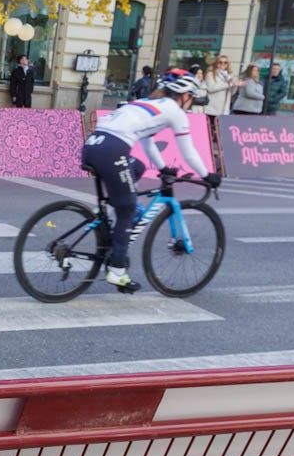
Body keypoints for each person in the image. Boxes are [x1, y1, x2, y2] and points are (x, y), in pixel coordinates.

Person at [81, 69, 220, 293]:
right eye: (191, 98)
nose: (191, 102)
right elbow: (189, 152)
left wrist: (164, 168)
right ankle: (117, 271)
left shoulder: (147, 103)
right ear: (185, 95)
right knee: (127, 211)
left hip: (92, 146)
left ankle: (109, 208)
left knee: (138, 166)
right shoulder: (175, 111)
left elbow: (147, 144)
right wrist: (207, 175)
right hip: (112, 150)